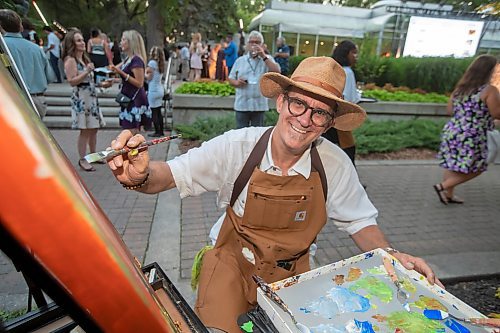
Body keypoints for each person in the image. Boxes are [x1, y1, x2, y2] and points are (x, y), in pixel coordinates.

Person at [106, 56, 441, 332]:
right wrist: (140, 175)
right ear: (281, 102)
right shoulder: (237, 147)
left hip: (294, 273)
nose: (305, 120)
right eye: (298, 104)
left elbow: (360, 223)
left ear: (328, 124)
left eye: (320, 112)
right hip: (231, 263)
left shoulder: (334, 165)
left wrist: (392, 255)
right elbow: (167, 176)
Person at [434, 55, 500, 204]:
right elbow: (497, 113)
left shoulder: (460, 89)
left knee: (452, 164)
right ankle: (442, 186)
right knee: (479, 166)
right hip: (473, 135)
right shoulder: (489, 90)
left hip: (453, 131)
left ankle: (449, 196)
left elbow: (450, 110)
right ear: (489, 71)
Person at [62, 29, 110, 172]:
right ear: (72, 43)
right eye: (78, 40)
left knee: (94, 128)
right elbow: (72, 81)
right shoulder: (71, 60)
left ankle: (93, 156)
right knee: (85, 130)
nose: (82, 43)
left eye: (82, 40)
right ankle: (83, 159)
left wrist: (103, 84)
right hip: (81, 99)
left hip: (91, 96)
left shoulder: (85, 59)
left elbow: (90, 81)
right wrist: (86, 71)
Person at [0, 9, 55, 118]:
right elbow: (50, 76)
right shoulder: (36, 49)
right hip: (37, 100)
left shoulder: (3, 47)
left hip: (10, 99)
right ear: (20, 26)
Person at [228, 30, 281, 128]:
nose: (254, 45)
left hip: (259, 105)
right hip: (242, 104)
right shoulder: (240, 60)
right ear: (247, 44)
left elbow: (277, 72)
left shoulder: (267, 59)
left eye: (257, 42)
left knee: (257, 135)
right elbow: (230, 78)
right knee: (241, 134)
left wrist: (263, 56)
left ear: (262, 45)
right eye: (251, 42)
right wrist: (237, 83)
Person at [322, 40, 361, 165]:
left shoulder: (332, 69)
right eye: (354, 53)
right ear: (346, 53)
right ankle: (351, 182)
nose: (356, 57)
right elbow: (349, 99)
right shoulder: (348, 72)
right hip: (341, 118)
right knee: (349, 149)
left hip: (326, 115)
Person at [109, 30, 151, 134]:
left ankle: (135, 150)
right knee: (128, 130)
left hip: (134, 99)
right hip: (127, 97)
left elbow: (139, 83)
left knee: (132, 130)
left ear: (131, 42)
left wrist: (121, 73)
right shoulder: (128, 59)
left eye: (123, 39)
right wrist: (114, 79)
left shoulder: (136, 60)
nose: (121, 42)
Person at [145, 45, 166, 137]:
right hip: (160, 89)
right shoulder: (161, 63)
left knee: (154, 112)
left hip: (153, 90)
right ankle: (161, 131)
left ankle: (157, 131)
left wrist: (144, 75)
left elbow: (149, 76)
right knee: (159, 111)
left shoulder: (152, 63)